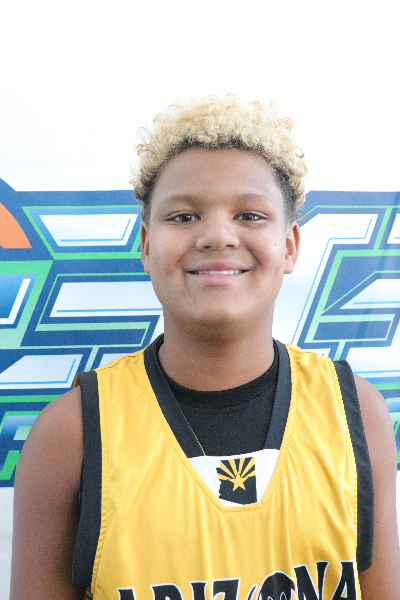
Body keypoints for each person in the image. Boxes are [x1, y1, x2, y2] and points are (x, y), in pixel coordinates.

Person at [10, 94, 400, 600]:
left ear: (289, 247)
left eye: (250, 215)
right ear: (146, 245)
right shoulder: (71, 435)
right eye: (183, 217)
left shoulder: (358, 415)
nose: (217, 236)